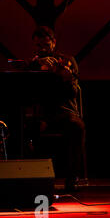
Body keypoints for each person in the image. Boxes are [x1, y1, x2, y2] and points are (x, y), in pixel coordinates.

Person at [26, 26, 85, 191]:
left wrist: (64, 76)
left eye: (46, 45)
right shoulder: (33, 64)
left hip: (64, 112)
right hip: (43, 114)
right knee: (25, 128)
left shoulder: (66, 61)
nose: (42, 49)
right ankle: (32, 177)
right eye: (38, 46)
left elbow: (73, 92)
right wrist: (37, 67)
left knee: (76, 126)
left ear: (53, 43)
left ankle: (72, 177)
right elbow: (28, 94)